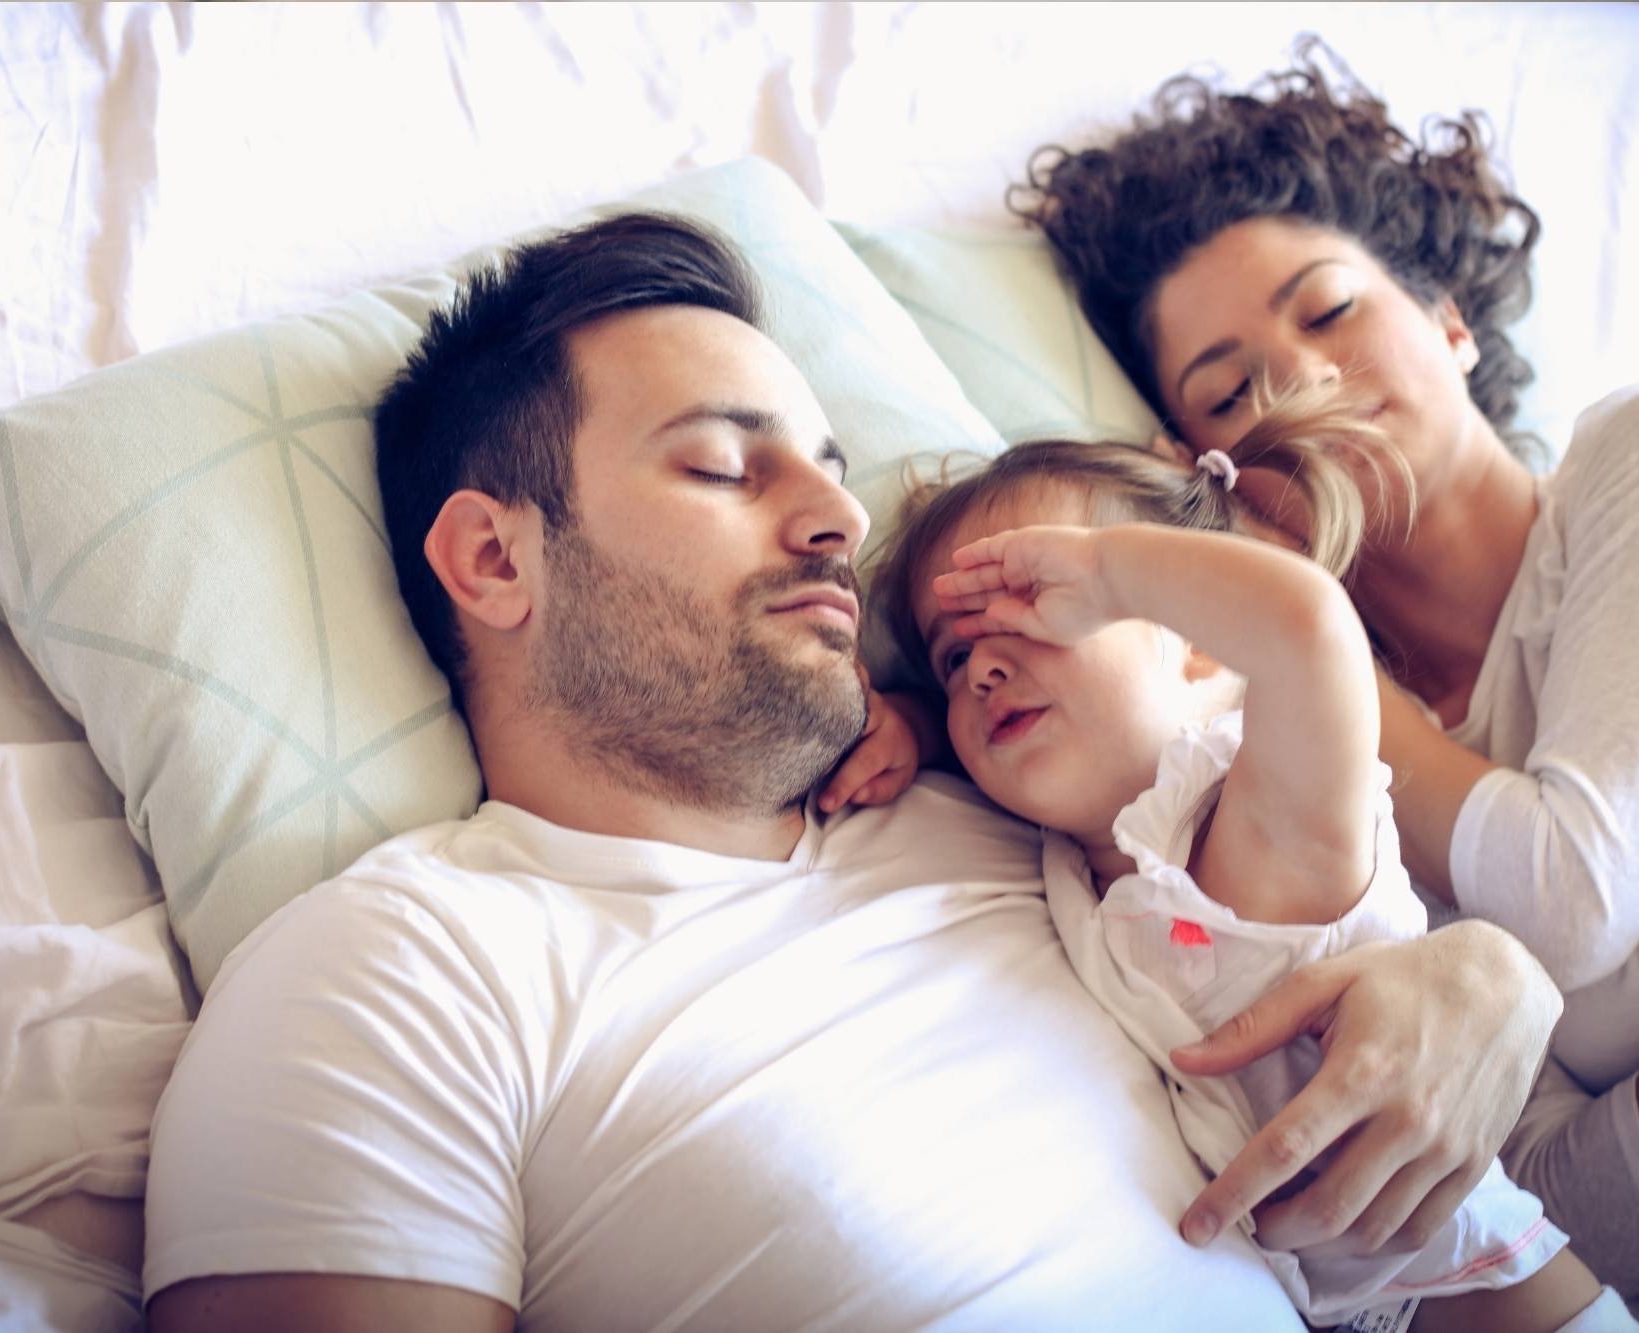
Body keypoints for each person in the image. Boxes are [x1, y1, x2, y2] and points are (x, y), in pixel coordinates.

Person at [144, 213, 1562, 1331]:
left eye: (827, 465)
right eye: (722, 468)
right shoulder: (403, 970)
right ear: (496, 558)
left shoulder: (1028, 809)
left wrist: (1486, 975)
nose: (837, 515)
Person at [1010, 40, 1639, 1294]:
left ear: (1450, 323)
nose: (1294, 379)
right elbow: (1523, 1213)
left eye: (1329, 309)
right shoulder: (1263, 767)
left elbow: (1575, 896)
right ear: (1205, 467)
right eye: (1226, 390)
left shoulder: (1619, 462)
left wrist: (1306, 633)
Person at [864, 389, 1622, 1330]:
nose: (982, 665)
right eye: (952, 655)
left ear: (1198, 642)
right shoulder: (1064, 851)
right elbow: (992, 720)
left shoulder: (1252, 810)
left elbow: (1310, 630)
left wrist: (1111, 568)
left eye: (1032, 603)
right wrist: (914, 727)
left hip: (1484, 1305)